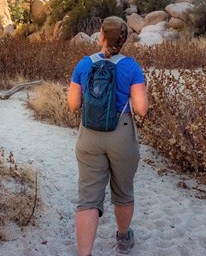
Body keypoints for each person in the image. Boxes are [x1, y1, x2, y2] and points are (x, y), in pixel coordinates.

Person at [67, 16, 149, 256]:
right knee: (123, 191)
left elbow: (73, 105)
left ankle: (85, 253)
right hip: (121, 133)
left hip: (89, 134)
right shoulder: (131, 67)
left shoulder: (84, 64)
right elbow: (142, 109)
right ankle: (123, 239)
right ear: (123, 39)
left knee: (88, 198)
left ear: (101, 36)